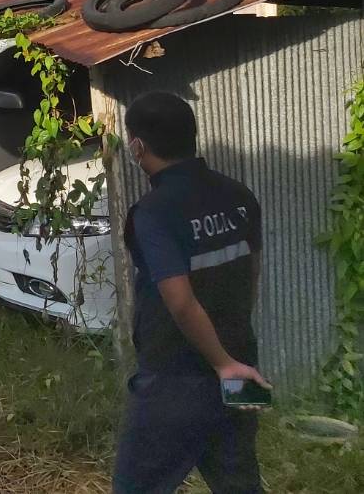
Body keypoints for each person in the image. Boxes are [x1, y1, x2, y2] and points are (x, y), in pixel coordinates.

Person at [112, 91, 268, 494]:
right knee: (239, 481)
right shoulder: (239, 195)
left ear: (138, 146)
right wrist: (233, 357)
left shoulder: (153, 213)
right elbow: (250, 277)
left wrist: (220, 363)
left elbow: (180, 302)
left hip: (176, 380)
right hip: (241, 364)